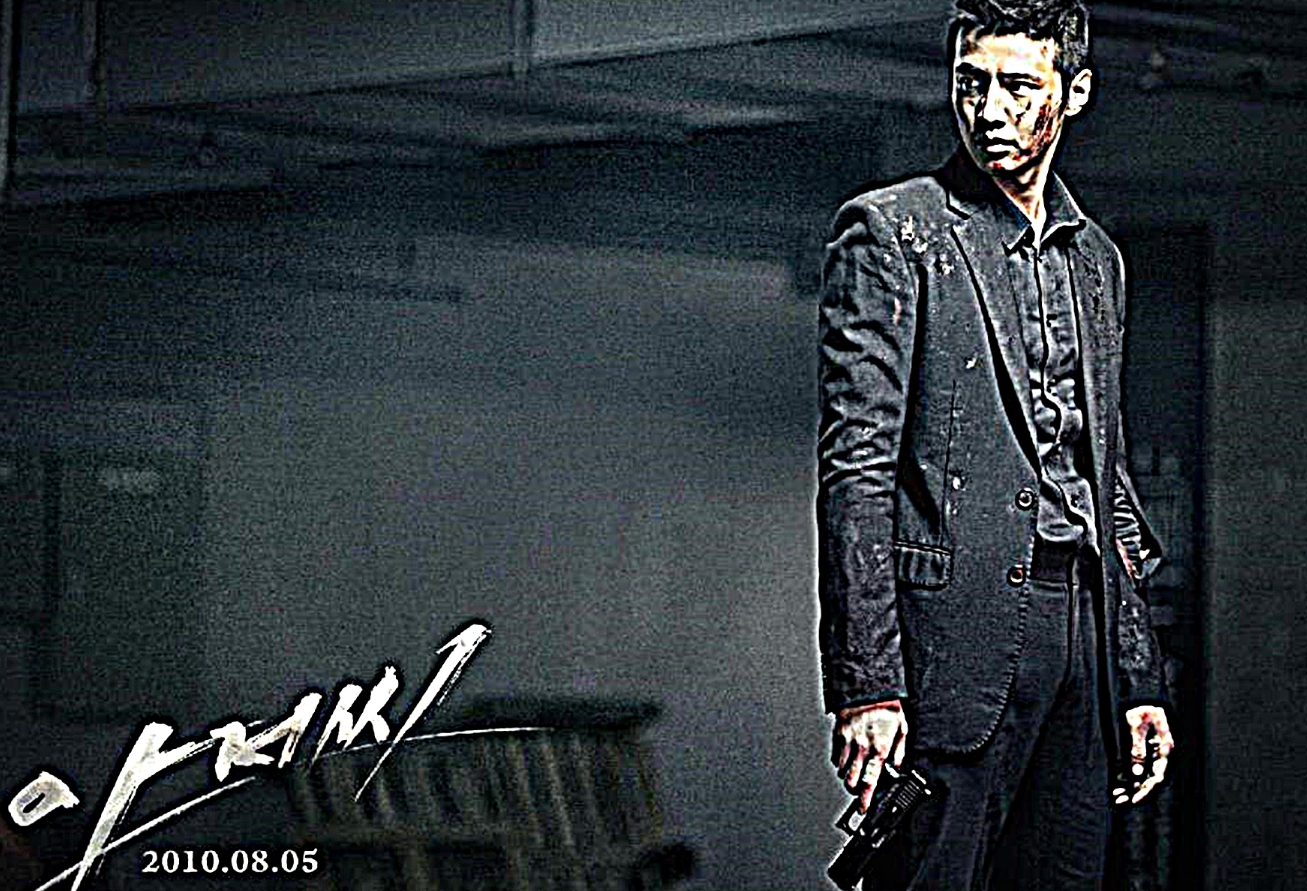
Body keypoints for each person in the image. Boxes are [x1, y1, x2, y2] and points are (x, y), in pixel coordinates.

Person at [816, 1, 1175, 887]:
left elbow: (1104, 476)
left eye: (1017, 86)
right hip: (950, 642)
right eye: (969, 83)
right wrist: (868, 681)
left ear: (1074, 93)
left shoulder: (1097, 259)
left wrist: (1136, 676)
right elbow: (856, 470)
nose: (987, 110)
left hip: (1081, 635)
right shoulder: (892, 231)